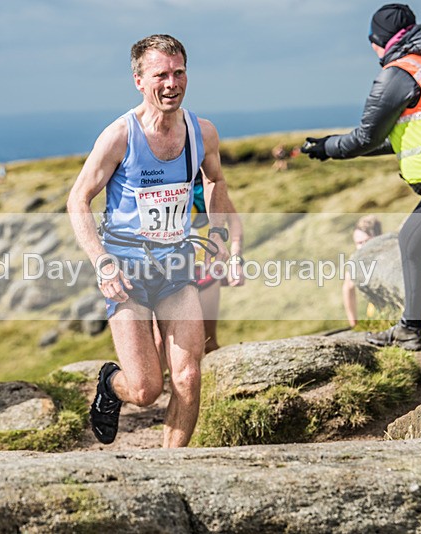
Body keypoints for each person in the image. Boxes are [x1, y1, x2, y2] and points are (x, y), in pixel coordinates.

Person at [67, 34, 230, 448]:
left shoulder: (202, 132)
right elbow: (78, 200)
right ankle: (111, 383)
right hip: (127, 273)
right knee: (145, 390)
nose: (171, 84)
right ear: (139, 81)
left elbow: (215, 180)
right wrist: (102, 262)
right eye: (160, 75)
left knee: (188, 376)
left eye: (178, 73)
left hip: (176, 267)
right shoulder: (119, 136)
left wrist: (219, 232)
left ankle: (171, 468)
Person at [301, 4, 421, 351]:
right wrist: (331, 146)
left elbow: (366, 136)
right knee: (410, 243)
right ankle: (409, 330)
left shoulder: (400, 73)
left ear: (381, 40)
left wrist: (328, 147)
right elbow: (402, 137)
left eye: (372, 41)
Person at [191, 170, 244, 353]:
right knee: (163, 343)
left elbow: (234, 223)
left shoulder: (207, 184)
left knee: (208, 342)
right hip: (167, 272)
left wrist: (236, 260)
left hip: (206, 271)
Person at [342, 215, 382, 327]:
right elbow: (348, 288)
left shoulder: (391, 255)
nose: (363, 247)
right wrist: (353, 322)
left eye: (367, 241)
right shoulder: (357, 262)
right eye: (359, 243)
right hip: (376, 314)